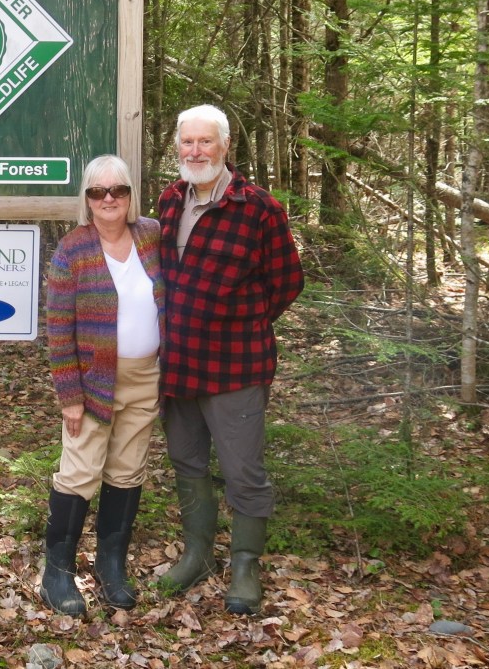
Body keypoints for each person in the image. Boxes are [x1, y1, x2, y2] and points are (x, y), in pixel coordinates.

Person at [156, 104, 303, 614]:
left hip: (236, 366)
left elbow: (287, 283)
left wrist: (242, 323)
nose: (195, 151)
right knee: (187, 462)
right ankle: (197, 554)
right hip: (177, 365)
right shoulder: (169, 201)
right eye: (187, 142)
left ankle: (244, 564)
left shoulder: (259, 208)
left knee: (244, 470)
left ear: (225, 147)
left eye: (206, 142)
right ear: (177, 146)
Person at [41, 154, 165, 615]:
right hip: (93, 382)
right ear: (87, 200)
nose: (109, 198)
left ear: (131, 194)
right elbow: (58, 327)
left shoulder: (151, 236)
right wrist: (68, 396)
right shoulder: (73, 250)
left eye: (118, 190)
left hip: (146, 377)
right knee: (79, 472)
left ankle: (111, 567)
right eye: (98, 192)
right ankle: (57, 573)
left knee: (127, 471)